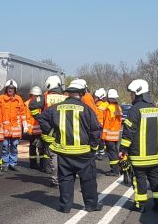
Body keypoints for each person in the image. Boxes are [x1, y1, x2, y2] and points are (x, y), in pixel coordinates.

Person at [36, 79, 103, 213]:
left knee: (65, 179)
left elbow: (41, 118)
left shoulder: (56, 108)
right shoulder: (87, 109)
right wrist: (94, 147)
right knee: (88, 180)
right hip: (84, 153)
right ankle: (91, 205)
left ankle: (65, 206)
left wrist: (52, 133)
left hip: (64, 152)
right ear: (82, 93)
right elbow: (95, 130)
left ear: (69, 93)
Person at [121, 79, 158, 213]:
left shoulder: (135, 110)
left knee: (139, 180)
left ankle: (140, 205)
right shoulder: (156, 110)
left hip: (139, 155)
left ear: (138, 93)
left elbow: (128, 132)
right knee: (155, 180)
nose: (131, 96)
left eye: (132, 94)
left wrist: (123, 150)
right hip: (153, 155)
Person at [42, 75, 67, 186]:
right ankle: (65, 177)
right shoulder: (65, 98)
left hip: (50, 132)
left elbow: (34, 106)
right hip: (64, 131)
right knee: (64, 155)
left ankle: (55, 179)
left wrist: (40, 120)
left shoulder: (45, 97)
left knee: (54, 156)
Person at [0, 79, 26, 171]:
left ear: (15, 89)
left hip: (15, 129)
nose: (10, 90)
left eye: (12, 88)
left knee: (14, 146)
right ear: (6, 89)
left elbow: (23, 113)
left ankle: (12, 163)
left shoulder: (19, 99)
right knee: (5, 146)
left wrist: (25, 124)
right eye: (9, 88)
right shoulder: (1, 98)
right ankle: (5, 163)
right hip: (5, 128)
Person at [102, 89, 123, 176]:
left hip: (109, 135)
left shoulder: (109, 108)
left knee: (112, 153)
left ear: (109, 98)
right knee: (115, 152)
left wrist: (103, 136)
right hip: (116, 135)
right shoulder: (119, 108)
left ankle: (114, 171)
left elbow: (107, 123)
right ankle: (118, 168)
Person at [25, 86, 45, 169]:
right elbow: (26, 117)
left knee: (41, 148)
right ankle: (33, 164)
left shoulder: (41, 103)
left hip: (40, 129)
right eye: (35, 96)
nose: (36, 97)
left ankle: (42, 164)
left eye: (38, 96)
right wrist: (28, 129)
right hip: (32, 129)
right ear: (31, 95)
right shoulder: (27, 104)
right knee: (32, 147)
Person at [93, 88, 108, 160]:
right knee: (97, 139)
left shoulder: (105, 105)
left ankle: (101, 153)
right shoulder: (96, 104)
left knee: (101, 140)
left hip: (101, 125)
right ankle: (97, 152)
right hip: (96, 124)